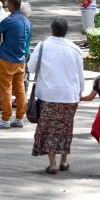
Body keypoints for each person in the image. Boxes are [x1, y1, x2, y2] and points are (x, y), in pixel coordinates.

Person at [28, 17, 85, 173]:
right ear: (66, 31)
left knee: (48, 129)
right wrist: (80, 91)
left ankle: (52, 163)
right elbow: (80, 75)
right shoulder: (75, 49)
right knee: (65, 128)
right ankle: (64, 161)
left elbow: (31, 68)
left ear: (51, 29)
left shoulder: (42, 46)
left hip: (48, 95)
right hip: (69, 96)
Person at [0, 0, 32, 129]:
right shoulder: (26, 21)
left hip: (6, 59)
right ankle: (19, 117)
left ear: (11, 5)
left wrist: (1, 38)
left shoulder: (9, 20)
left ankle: (5, 118)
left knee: (6, 89)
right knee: (20, 89)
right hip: (21, 60)